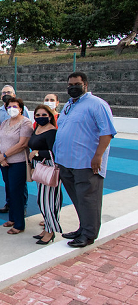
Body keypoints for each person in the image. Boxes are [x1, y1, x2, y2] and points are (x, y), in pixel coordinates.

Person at [54, 72, 116, 248]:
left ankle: (89, 234)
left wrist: (98, 156)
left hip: (86, 163)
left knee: (89, 199)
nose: (72, 87)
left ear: (85, 85)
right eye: (70, 85)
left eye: (76, 84)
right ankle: (83, 227)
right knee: (78, 198)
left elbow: (107, 132)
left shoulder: (97, 104)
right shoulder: (69, 106)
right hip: (67, 162)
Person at [0, 97, 33, 234]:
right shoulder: (4, 122)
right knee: (9, 190)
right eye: (9, 107)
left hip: (18, 162)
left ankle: (19, 224)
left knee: (17, 192)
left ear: (21, 108)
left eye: (15, 106)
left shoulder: (25, 123)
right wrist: (0, 157)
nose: (12, 109)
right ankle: (12, 218)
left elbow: (22, 144)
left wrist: (4, 155)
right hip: (4, 163)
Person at [28, 104, 61, 245]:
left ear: (50, 116)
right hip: (39, 167)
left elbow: (54, 152)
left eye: (44, 115)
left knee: (47, 201)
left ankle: (51, 230)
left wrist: (36, 153)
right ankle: (47, 227)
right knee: (42, 201)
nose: (41, 118)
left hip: (48, 168)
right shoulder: (37, 129)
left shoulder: (52, 132)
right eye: (38, 115)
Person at [0, 85, 30, 213]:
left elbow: (23, 141)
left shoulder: (24, 118)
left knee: (19, 185)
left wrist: (4, 155)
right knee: (8, 183)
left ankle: (22, 206)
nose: (6, 94)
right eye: (4, 92)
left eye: (9, 92)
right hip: (3, 158)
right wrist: (0, 157)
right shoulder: (0, 115)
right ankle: (9, 204)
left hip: (16, 158)